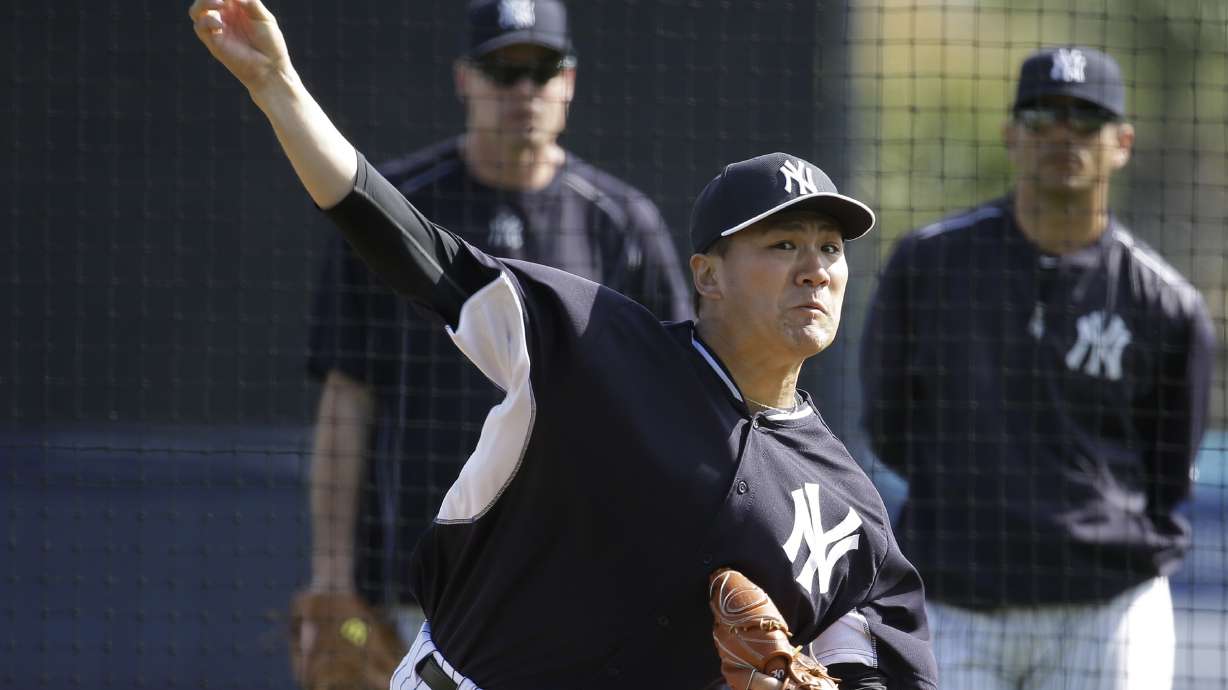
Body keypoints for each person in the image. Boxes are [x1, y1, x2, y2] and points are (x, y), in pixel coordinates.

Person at [187, 1, 938, 687]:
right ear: (707, 276)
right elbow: (412, 246)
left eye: (831, 247)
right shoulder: (596, 349)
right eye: (783, 245)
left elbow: (883, 660)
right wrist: (278, 87)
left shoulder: (846, 507)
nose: (816, 269)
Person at [301, 0, 690, 685]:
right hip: (418, 580)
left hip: (574, 581)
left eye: (541, 70)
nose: (523, 91)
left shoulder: (621, 222)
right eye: (501, 71)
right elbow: (345, 400)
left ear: (569, 80)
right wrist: (333, 576)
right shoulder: (399, 214)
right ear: (464, 79)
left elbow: (674, 404)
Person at [861, 46, 1215, 690]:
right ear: (1010, 135)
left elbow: (1168, 471)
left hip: (1107, 609)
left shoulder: (1166, 302)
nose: (1061, 133)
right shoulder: (928, 266)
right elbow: (889, 425)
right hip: (954, 598)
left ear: (1122, 143)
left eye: (1085, 118)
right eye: (1041, 115)